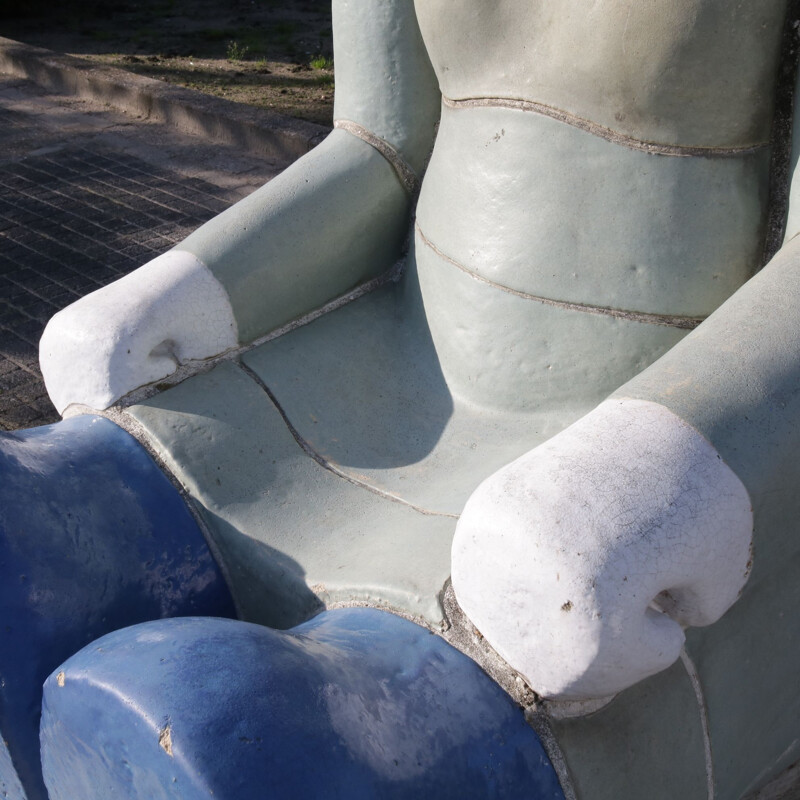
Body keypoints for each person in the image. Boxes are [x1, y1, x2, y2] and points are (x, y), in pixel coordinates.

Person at [4, 1, 800, 797]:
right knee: (29, 544)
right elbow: (379, 145)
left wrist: (631, 485)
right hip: (371, 374)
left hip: (646, 428)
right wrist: (175, 298)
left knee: (245, 740)